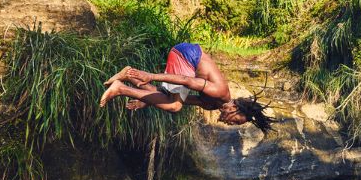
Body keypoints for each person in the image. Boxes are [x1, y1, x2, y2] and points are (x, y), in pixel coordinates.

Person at [99, 42, 276, 133]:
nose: (230, 124)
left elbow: (165, 96)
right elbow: (186, 81)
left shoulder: (210, 105)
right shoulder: (220, 92)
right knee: (175, 106)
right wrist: (150, 76)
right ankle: (120, 88)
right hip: (187, 55)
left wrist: (146, 101)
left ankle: (129, 75)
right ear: (234, 108)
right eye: (236, 121)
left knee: (172, 102)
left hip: (187, 57)